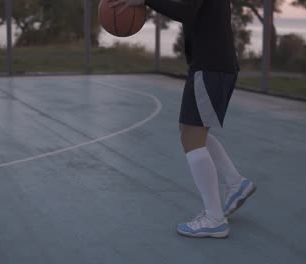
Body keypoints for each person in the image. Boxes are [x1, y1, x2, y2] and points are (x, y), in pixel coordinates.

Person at [109, 0, 257, 238]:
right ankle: (235, 183)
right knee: (189, 130)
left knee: (192, 138)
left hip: (211, 66)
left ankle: (214, 218)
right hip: (212, 65)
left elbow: (185, 11)